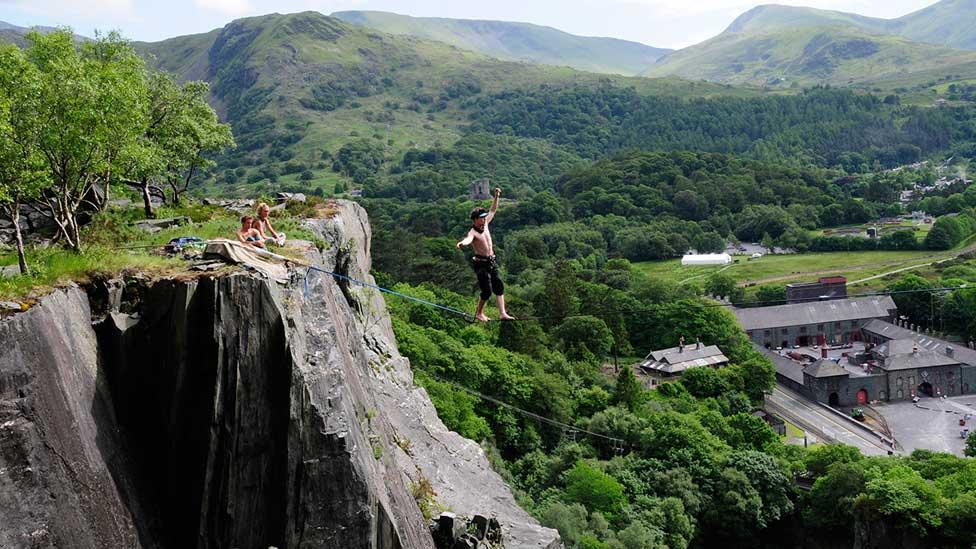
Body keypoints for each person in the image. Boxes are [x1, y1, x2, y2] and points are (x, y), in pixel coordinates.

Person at [457, 187, 514, 322]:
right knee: (487, 291)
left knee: (498, 286)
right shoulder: (473, 232)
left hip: (491, 261)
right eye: (481, 219)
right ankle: (479, 313)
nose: (483, 220)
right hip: (480, 264)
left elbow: (493, 210)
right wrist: (462, 244)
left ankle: (502, 313)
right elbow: (468, 239)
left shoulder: (486, 224)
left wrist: (496, 196)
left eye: (484, 218)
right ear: (475, 220)